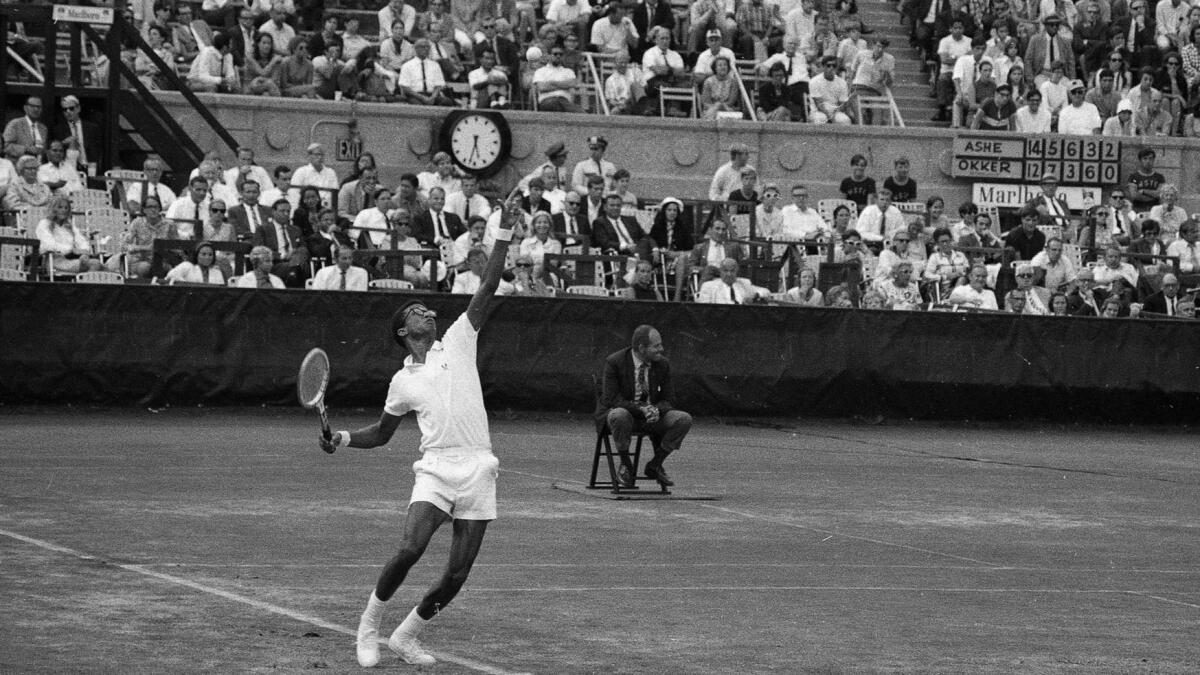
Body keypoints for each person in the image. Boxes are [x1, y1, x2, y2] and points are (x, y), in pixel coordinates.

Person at [320, 198, 520, 669]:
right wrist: (343, 438)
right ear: (402, 331)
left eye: (429, 309)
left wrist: (504, 234)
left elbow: (488, 285)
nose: (429, 313)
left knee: (456, 575)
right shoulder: (402, 381)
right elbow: (383, 433)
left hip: (479, 466)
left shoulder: (458, 338)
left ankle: (406, 636)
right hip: (435, 469)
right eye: (418, 311)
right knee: (410, 548)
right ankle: (367, 627)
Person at [596, 324, 692, 490]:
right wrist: (640, 409)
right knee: (619, 414)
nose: (661, 349)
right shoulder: (615, 362)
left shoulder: (663, 365)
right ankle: (626, 465)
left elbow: (669, 399)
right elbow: (611, 399)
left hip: (651, 417)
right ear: (641, 348)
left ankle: (655, 465)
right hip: (624, 416)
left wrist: (656, 410)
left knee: (683, 419)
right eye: (656, 346)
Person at [36, 195, 102, 275]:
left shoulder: (69, 225)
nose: (63, 210)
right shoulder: (44, 224)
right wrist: (72, 250)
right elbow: (49, 246)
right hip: (55, 261)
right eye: (60, 207)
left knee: (100, 266)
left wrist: (84, 253)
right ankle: (86, 283)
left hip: (72, 260)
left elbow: (82, 241)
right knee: (96, 264)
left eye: (66, 208)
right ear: (53, 209)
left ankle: (86, 281)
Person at [697, 257, 769, 303]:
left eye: (732, 271)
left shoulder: (744, 283)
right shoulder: (709, 286)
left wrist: (756, 296)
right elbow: (704, 309)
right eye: (725, 271)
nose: (729, 274)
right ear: (720, 272)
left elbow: (766, 292)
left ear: (737, 271)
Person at [3, 96, 48, 161]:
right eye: (32, 106)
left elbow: (43, 150)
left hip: (37, 166)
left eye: (39, 107)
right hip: (17, 167)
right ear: (25, 108)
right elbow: (6, 146)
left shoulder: (43, 128)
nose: (36, 109)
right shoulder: (15, 124)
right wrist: (26, 149)